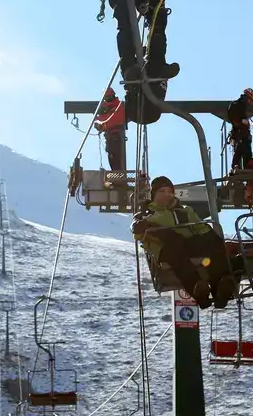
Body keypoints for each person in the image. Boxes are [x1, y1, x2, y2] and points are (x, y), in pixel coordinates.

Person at [131, 176, 236, 309]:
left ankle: (220, 287)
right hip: (166, 249)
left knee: (213, 239)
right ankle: (196, 288)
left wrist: (208, 236)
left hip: (188, 244)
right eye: (162, 191)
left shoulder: (185, 210)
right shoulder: (148, 212)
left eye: (170, 192)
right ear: (154, 195)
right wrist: (143, 226)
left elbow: (201, 227)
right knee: (173, 240)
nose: (167, 195)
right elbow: (137, 231)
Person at [94, 87, 127, 173]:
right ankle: (116, 173)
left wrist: (101, 125)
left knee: (115, 155)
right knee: (111, 155)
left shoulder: (118, 106)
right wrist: (97, 123)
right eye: (106, 97)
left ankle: (118, 173)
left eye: (108, 97)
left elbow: (113, 120)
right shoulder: (105, 108)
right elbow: (101, 120)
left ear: (113, 95)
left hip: (115, 135)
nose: (107, 99)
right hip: (110, 136)